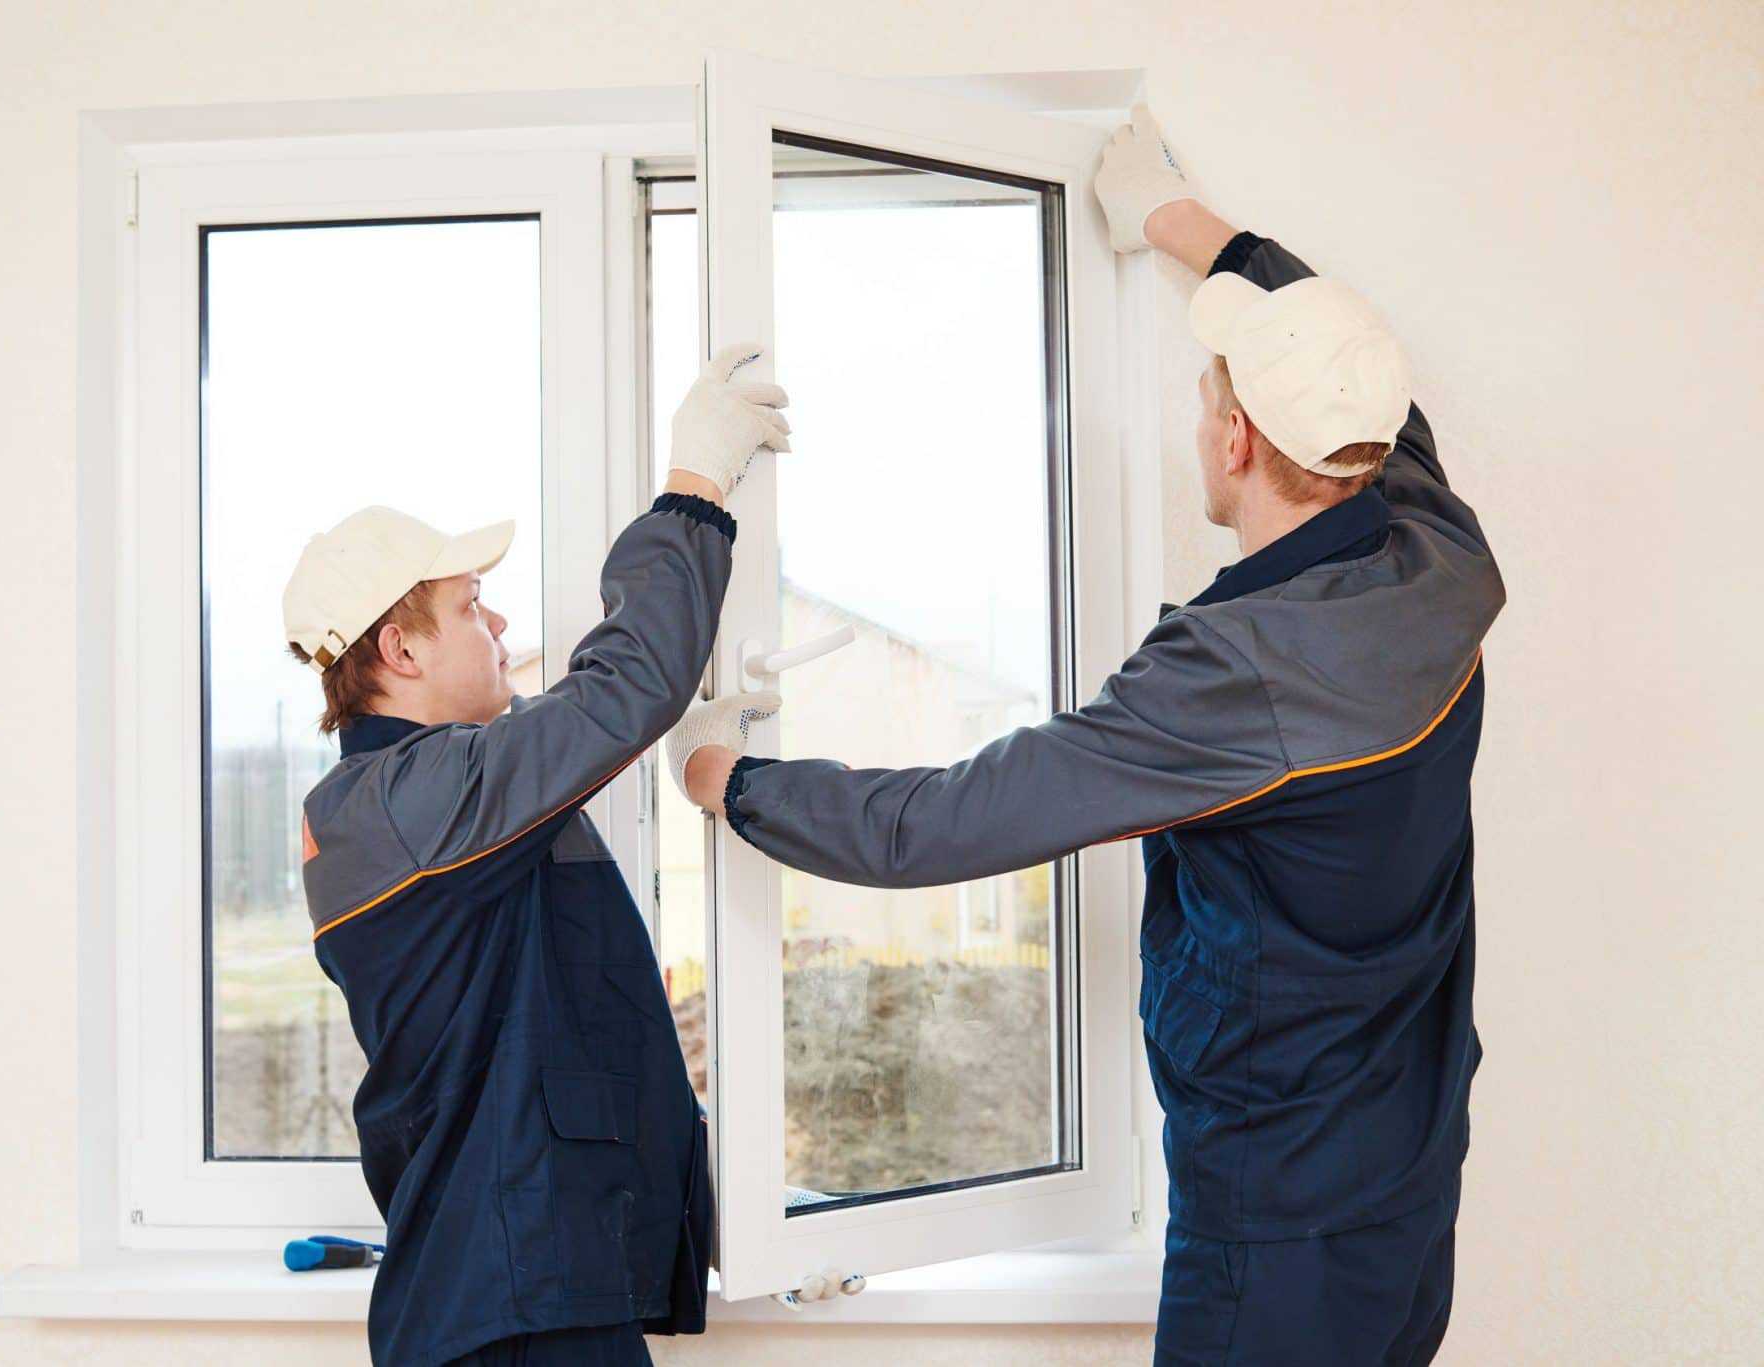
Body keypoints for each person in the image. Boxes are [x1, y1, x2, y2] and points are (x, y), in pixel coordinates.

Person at [669, 110, 1503, 1365]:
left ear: (1229, 440)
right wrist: (1182, 225)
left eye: (1208, 395)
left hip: (1271, 1224)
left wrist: (730, 781)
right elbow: (1350, 359)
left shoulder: (1234, 677)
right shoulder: (1436, 547)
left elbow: (941, 820)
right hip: (1406, 1172)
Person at [284, 344, 791, 1367]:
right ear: (401, 650)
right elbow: (618, 693)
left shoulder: (413, 802)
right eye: (471, 605)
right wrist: (693, 488)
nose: (501, 623)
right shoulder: (410, 801)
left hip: (513, 1296)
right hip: (510, 1315)